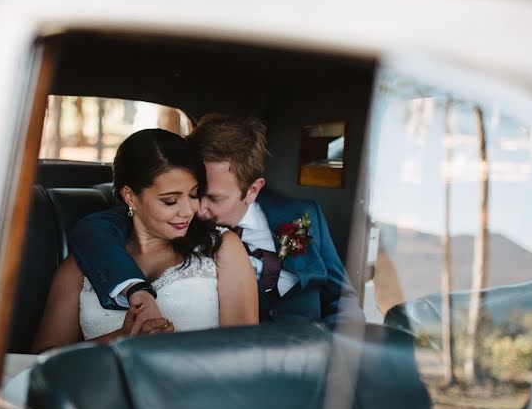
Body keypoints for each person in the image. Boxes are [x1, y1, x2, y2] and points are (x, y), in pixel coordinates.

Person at [69, 114, 364, 327]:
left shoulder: (301, 216)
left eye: (212, 198)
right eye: (193, 192)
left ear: (252, 190)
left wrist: (341, 355)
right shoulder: (165, 222)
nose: (194, 209)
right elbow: (95, 228)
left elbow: (341, 298)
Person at [31, 128, 257, 353]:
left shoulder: (222, 248)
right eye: (170, 201)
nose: (189, 211)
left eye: (194, 194)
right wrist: (119, 340)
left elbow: (244, 353)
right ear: (131, 197)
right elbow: (42, 357)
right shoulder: (83, 263)